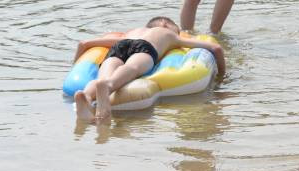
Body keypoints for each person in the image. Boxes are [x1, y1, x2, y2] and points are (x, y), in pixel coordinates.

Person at [73, 16, 225, 122]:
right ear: (165, 24)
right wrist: (222, 77)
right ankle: (108, 86)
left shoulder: (131, 32)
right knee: (131, 67)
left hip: (119, 46)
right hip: (145, 48)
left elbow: (83, 44)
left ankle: (85, 96)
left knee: (103, 76)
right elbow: (216, 48)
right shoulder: (169, 34)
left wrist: (75, 66)